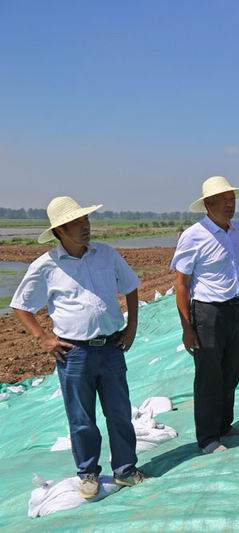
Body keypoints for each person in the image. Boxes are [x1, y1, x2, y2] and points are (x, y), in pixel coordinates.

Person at [11, 196, 146, 499]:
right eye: (77, 222)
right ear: (60, 231)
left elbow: (131, 286)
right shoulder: (46, 265)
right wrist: (43, 338)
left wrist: (132, 327)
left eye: (86, 219)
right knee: (81, 418)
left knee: (120, 413)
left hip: (110, 347)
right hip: (75, 353)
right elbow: (21, 306)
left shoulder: (106, 254)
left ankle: (125, 470)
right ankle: (88, 474)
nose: (86, 226)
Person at [171, 176, 239, 455]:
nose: (231, 205)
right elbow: (181, 283)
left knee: (231, 371)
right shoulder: (194, 236)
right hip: (207, 313)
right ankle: (208, 438)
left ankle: (224, 425)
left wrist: (235, 277)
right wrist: (187, 327)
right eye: (224, 200)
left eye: (233, 200)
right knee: (209, 377)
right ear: (208, 204)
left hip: (235, 308)